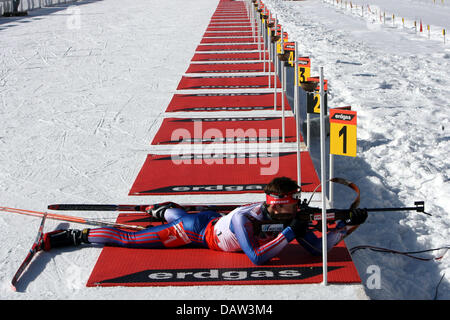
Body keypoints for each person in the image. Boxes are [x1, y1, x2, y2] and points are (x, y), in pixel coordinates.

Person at [40, 177, 367, 265]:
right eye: (293, 202)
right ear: (278, 204)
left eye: (298, 202)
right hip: (194, 233)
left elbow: (316, 251)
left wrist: (347, 225)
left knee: (184, 213)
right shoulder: (244, 219)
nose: (298, 206)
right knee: (131, 239)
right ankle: (77, 236)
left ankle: (164, 209)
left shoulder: (286, 217)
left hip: (211, 220)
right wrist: (289, 233)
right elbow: (257, 258)